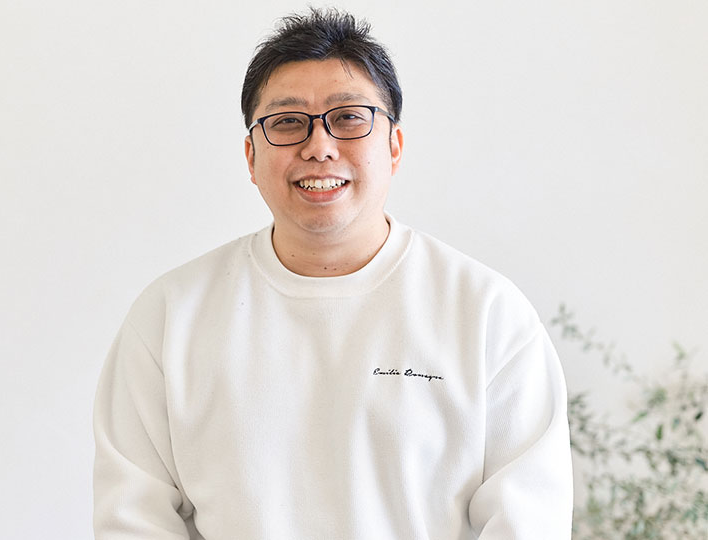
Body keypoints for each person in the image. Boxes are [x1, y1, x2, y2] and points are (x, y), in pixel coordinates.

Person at [93, 8, 573, 539]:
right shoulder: (170, 316)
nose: (319, 146)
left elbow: (528, 522)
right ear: (251, 157)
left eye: (348, 118)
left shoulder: (485, 313)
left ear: (393, 146)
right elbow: (133, 519)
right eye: (287, 122)